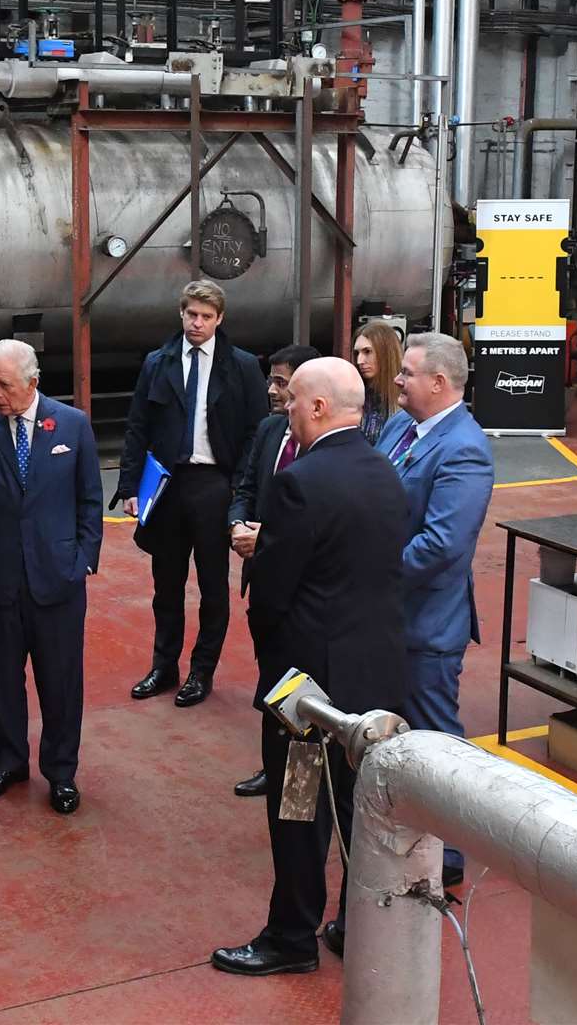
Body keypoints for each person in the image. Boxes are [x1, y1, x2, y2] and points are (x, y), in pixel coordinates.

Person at [210, 357, 407, 977]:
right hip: (370, 675)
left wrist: (260, 554)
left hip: (307, 692)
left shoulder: (301, 482)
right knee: (356, 805)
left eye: (292, 399)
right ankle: (355, 924)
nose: (285, 407)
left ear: (318, 407)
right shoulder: (385, 471)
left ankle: (291, 936)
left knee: (298, 809)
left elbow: (272, 590)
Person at [0, 340, 104, 815]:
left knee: (60, 682)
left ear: (33, 383)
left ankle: (61, 772)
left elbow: (90, 499)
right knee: (3, 680)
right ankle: (9, 762)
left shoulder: (71, 425)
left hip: (57, 576)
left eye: (4, 385)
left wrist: (84, 560)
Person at [373, 331, 494, 890]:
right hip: (389, 615)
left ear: (440, 384)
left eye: (408, 374)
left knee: (435, 738)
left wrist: (367, 575)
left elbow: (442, 546)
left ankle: (450, 856)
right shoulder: (402, 427)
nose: (397, 381)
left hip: (425, 623)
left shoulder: (464, 449)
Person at [115, 280, 267, 709]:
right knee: (166, 584)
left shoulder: (240, 366)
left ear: (220, 319)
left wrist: (242, 488)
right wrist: (129, 486)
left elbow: (258, 430)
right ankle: (164, 666)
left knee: (213, 586)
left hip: (216, 484)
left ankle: (202, 671)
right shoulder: (157, 363)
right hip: (166, 484)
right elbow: (137, 426)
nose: (197, 323)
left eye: (205, 316)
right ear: (181, 314)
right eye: (191, 315)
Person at [228, 343, 322, 799]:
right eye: (272, 380)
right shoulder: (269, 432)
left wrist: (260, 538)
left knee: (302, 691)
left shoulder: (326, 454)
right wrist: (236, 524)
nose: (272, 389)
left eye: (282, 382)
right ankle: (273, 766)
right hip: (264, 584)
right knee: (271, 680)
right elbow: (246, 487)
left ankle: (300, 787)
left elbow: (309, 531)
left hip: (303, 597)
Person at [353, 320, 402, 445]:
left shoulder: (407, 399)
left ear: (386, 353)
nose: (360, 361)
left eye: (367, 352)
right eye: (357, 353)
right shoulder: (355, 396)